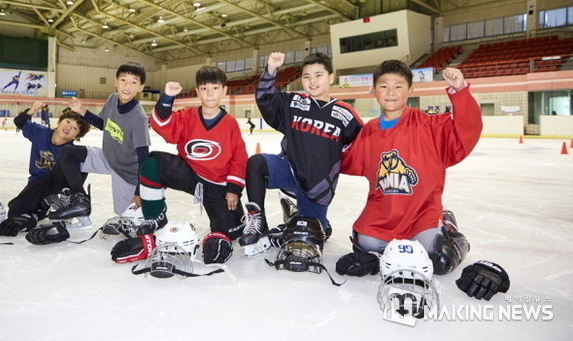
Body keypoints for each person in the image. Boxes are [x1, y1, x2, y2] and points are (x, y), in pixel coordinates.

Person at [336, 60, 482, 277]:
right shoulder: (368, 131)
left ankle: (447, 226)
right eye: (384, 86)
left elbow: (465, 133)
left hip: (421, 213)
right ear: (373, 90)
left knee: (440, 259)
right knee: (364, 245)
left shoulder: (429, 124)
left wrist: (459, 91)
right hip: (382, 215)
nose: (391, 92)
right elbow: (347, 160)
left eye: (398, 86)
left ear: (410, 90)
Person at [238, 52, 363, 252]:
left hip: (317, 186)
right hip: (288, 169)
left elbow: (363, 146)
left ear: (331, 77)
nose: (312, 81)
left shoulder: (345, 113)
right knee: (256, 163)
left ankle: (301, 216)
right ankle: (259, 223)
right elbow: (264, 98)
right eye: (306, 76)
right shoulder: (293, 102)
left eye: (318, 75)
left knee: (312, 234)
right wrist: (271, 69)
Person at [132, 66, 247, 264]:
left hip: (216, 184)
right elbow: (161, 125)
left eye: (215, 88)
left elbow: (239, 157)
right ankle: (154, 217)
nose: (209, 93)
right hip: (189, 173)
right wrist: (167, 97)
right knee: (152, 164)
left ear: (224, 91)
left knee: (231, 232)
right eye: (204, 88)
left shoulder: (230, 123)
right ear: (197, 91)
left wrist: (233, 189)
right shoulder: (187, 116)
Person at [61, 62, 151, 217]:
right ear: (116, 81)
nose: (127, 86)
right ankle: (80, 200)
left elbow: (144, 157)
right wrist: (80, 110)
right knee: (68, 153)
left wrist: (139, 190)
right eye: (123, 80)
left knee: (126, 216)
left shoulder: (138, 118)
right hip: (107, 157)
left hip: (126, 171)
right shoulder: (112, 99)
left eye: (134, 82)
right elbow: (103, 124)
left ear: (141, 87)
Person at [0, 101, 90, 236]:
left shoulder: (71, 151)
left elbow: (80, 172)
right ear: (59, 122)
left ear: (77, 137)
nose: (69, 127)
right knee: (16, 209)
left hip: (57, 183)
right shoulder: (40, 133)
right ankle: (35, 213)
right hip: (37, 182)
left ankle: (63, 203)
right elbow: (19, 122)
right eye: (68, 121)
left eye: (75, 128)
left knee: (75, 157)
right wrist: (31, 111)